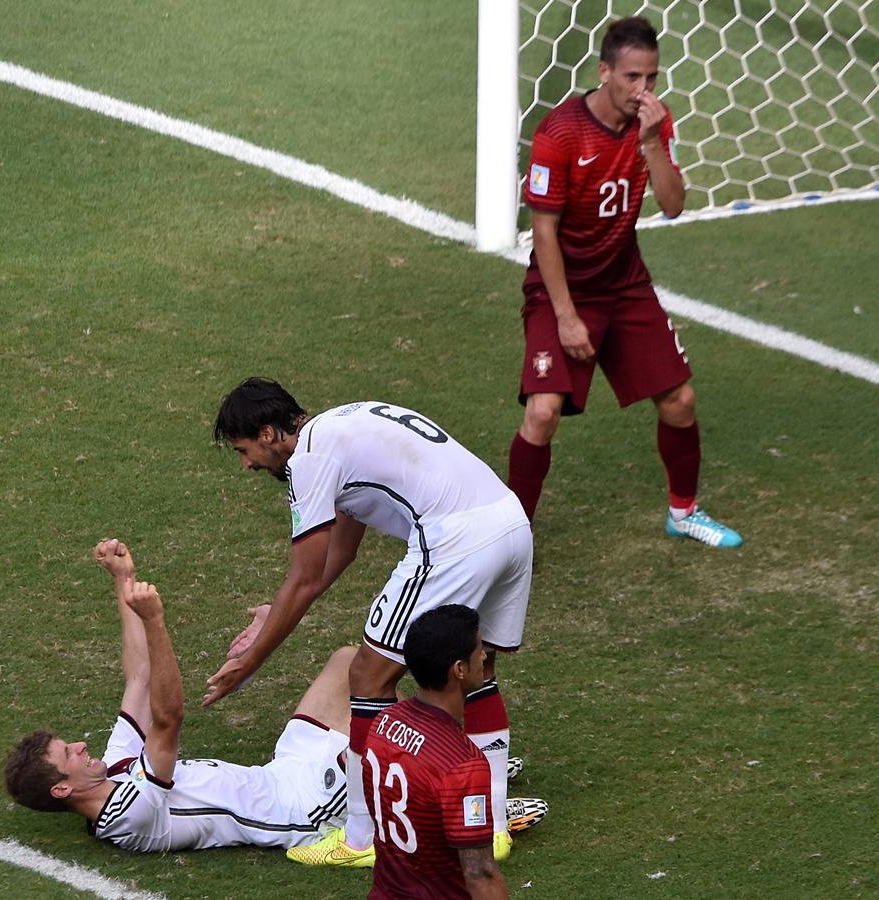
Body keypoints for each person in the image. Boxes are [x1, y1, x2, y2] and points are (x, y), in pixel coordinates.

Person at [204, 378, 545, 867]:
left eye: (244, 450)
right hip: (511, 525)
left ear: (268, 433)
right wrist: (268, 621)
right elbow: (338, 554)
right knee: (479, 672)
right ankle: (488, 827)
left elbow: (303, 579)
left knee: (367, 677)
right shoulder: (344, 426)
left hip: (454, 539)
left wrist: (251, 663)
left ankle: (361, 839)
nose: (246, 464)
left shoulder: (309, 459)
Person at [506, 15, 743, 549]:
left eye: (652, 78)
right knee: (542, 412)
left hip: (626, 283)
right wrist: (566, 317)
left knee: (679, 401)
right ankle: (511, 539)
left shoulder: (655, 124)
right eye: (633, 77)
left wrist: (653, 143)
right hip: (562, 287)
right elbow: (543, 232)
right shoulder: (559, 132)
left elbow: (675, 207)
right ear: (604, 70)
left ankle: (684, 513)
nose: (644, 90)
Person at [2, 539, 353, 852]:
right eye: (68, 754)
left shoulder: (118, 769)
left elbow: (139, 678)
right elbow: (169, 719)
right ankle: (366, 836)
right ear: (62, 790)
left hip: (286, 769)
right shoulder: (128, 816)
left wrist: (124, 579)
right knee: (380, 735)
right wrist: (154, 620)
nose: (79, 745)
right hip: (306, 806)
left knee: (349, 663)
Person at [362, 605, 510, 899]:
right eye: (478, 650)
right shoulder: (463, 765)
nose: (483, 657)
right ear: (459, 669)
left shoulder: (384, 723)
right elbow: (479, 871)